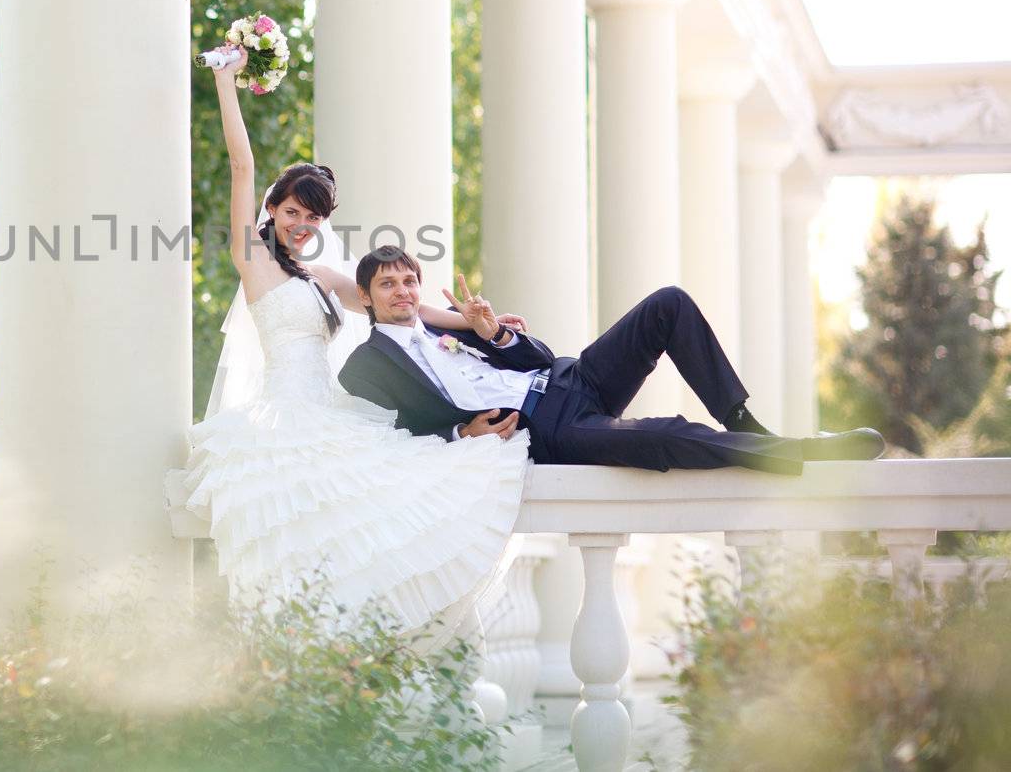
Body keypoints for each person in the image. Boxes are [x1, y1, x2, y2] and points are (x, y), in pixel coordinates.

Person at [181, 48, 531, 638]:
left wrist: (474, 325)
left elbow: (396, 303)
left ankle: (359, 655)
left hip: (332, 414)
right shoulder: (255, 263)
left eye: (314, 218)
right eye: (293, 211)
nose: (303, 224)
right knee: (312, 528)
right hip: (286, 419)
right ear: (272, 208)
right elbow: (242, 166)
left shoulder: (316, 277)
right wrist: (225, 81)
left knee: (387, 512)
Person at [338, 246, 886, 474]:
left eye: (409, 281)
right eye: (388, 285)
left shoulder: (451, 323)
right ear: (366, 297)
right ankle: (804, 456)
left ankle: (741, 417)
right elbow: (388, 441)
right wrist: (462, 436)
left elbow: (540, 355)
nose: (403, 292)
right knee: (667, 434)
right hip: (549, 428)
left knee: (667, 304)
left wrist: (495, 336)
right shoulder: (364, 367)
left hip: (570, 378)